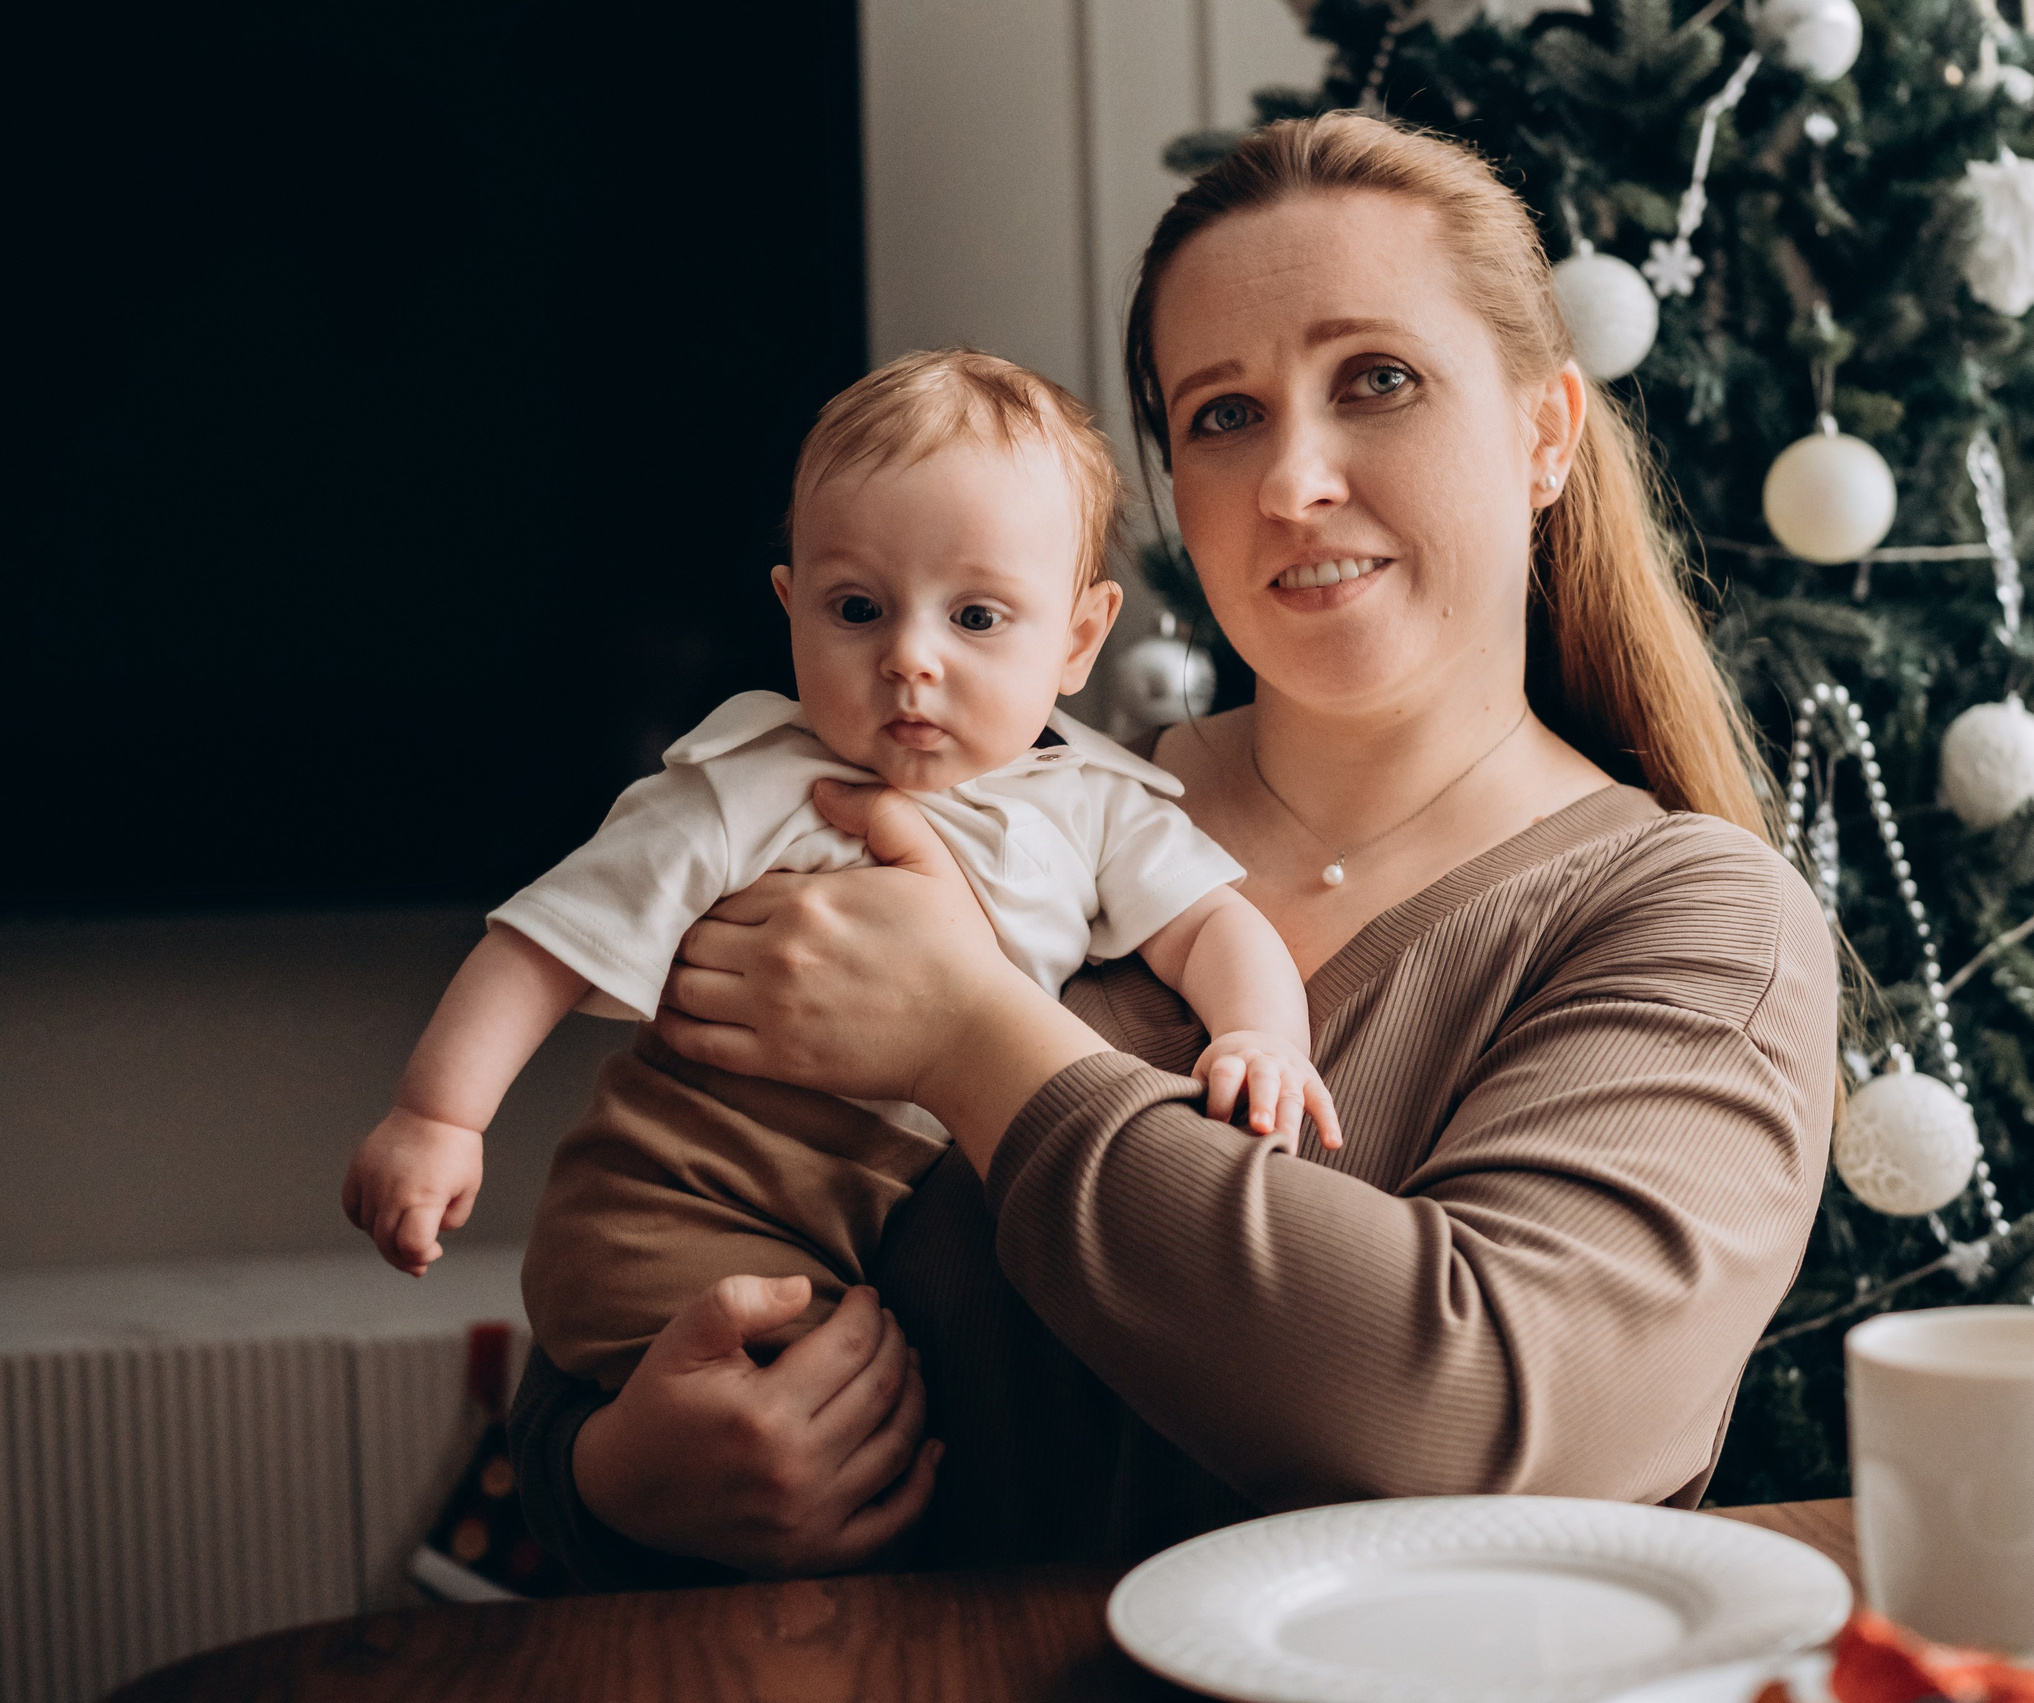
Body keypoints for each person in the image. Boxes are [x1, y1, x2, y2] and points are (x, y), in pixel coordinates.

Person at [508, 112, 1837, 1586]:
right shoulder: (996, 817)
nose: (1290, 481)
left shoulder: (1696, 918)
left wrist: (973, 1036)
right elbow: (660, 1221)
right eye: (1222, 414)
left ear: (1545, 433)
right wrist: (611, 1472)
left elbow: (1471, 1413)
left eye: (1377, 380)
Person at [342, 349, 1337, 1388]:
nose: (911, 656)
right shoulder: (746, 786)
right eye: (856, 609)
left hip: (874, 1231)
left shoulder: (1096, 804)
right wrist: (437, 1116)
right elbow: (541, 944)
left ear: (1079, 640)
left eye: (976, 617)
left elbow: (1214, 925)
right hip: (681, 1199)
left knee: (895, 1417)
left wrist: (1260, 1033)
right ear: (790, 607)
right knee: (827, 1403)